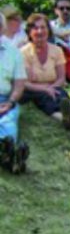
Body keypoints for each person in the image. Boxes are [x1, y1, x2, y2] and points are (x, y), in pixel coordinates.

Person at [20, 13, 70, 131]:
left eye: (43, 27)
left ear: (48, 30)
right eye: (36, 28)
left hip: (53, 85)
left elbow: (61, 78)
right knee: (43, 96)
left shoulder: (57, 50)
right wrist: (45, 89)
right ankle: (64, 118)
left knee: (60, 94)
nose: (40, 31)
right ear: (30, 32)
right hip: (31, 88)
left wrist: (52, 87)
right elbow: (24, 83)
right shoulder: (23, 53)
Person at [0, 13, 30, 174]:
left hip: (5, 98)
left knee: (9, 119)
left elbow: (19, 84)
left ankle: (7, 149)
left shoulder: (13, 52)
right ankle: (9, 156)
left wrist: (11, 102)